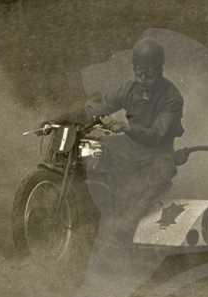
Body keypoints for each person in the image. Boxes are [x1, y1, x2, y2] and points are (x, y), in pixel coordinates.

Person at [60, 37, 185, 235]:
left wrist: (126, 128)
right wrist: (64, 118)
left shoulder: (172, 98)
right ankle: (85, 202)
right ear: (134, 68)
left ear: (159, 69)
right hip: (129, 148)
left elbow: (156, 136)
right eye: (139, 70)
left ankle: (122, 228)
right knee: (92, 149)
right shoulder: (129, 88)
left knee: (132, 215)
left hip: (157, 155)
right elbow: (100, 106)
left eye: (149, 71)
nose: (143, 77)